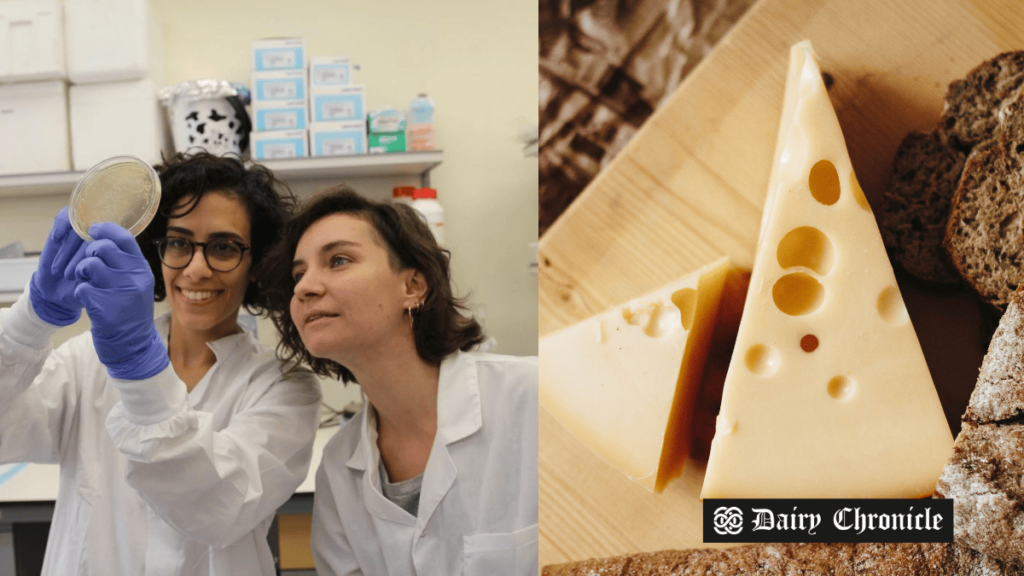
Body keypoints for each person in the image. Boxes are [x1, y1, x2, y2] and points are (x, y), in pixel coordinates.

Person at [0, 152, 321, 575]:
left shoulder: (284, 386)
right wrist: (30, 320)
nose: (197, 269)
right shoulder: (87, 360)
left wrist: (139, 368)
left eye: (223, 247)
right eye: (179, 243)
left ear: (257, 264)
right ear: (157, 250)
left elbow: (219, 507)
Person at [261, 186, 538, 575]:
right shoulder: (340, 467)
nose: (305, 287)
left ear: (412, 287)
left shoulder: (535, 399)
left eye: (338, 260)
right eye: (298, 274)